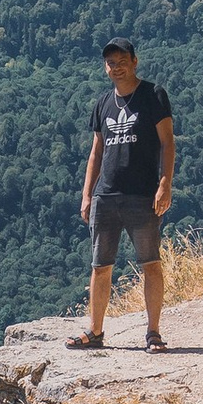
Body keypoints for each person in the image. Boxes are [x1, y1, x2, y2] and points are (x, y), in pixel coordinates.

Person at [70, 40, 175, 351]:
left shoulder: (153, 95)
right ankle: (96, 331)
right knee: (100, 267)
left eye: (121, 60)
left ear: (135, 61)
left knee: (150, 263)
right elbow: (96, 151)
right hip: (106, 196)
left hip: (143, 195)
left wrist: (165, 182)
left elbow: (168, 142)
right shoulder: (103, 103)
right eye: (110, 62)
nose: (116, 67)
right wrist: (87, 194)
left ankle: (153, 333)